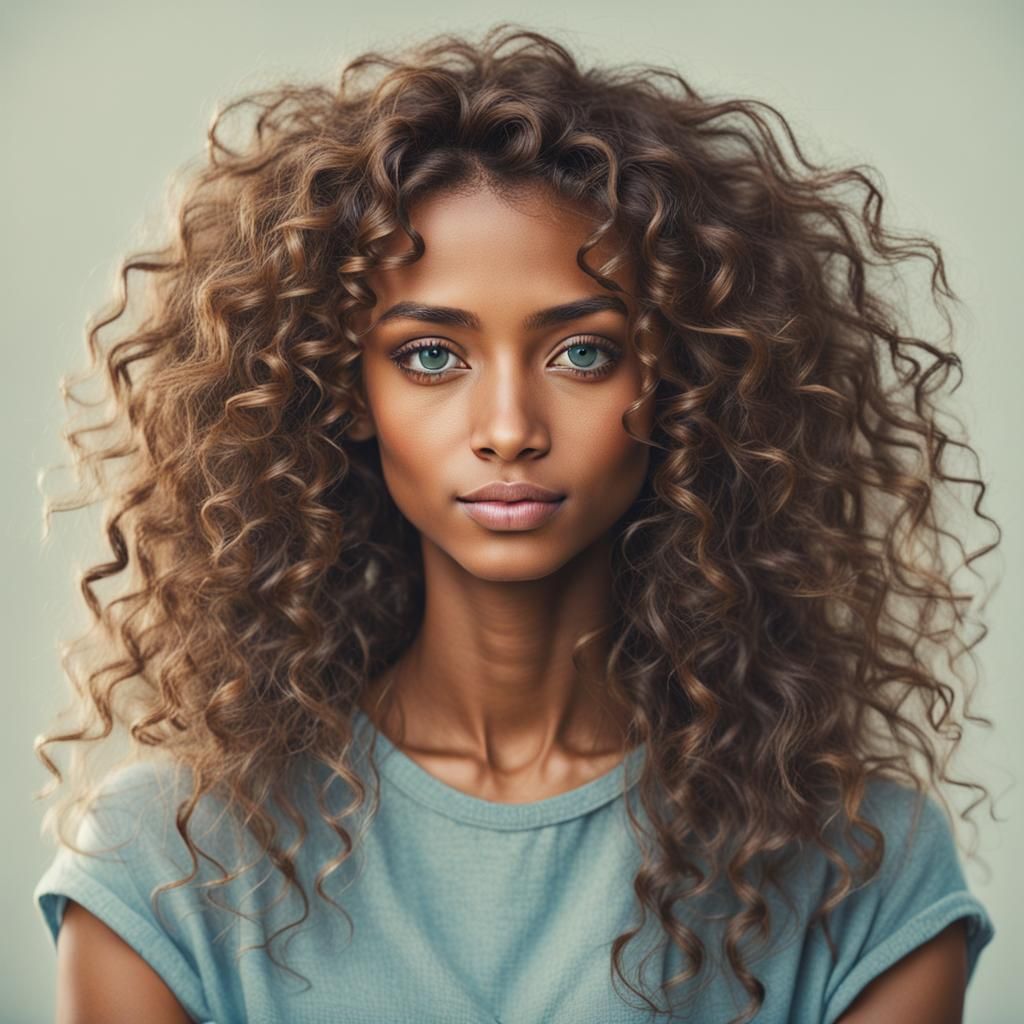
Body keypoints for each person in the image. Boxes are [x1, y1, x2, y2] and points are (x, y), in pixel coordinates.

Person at [32, 23, 997, 1024]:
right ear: (345, 391)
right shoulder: (167, 861)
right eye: (431, 357)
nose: (507, 429)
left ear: (683, 385)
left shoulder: (861, 868)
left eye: (583, 354)